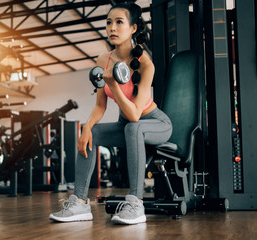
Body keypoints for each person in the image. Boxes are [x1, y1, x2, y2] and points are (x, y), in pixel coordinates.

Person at [49, 2, 172, 225]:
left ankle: (136, 204)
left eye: (119, 22)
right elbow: (100, 106)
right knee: (91, 133)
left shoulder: (146, 64)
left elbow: (135, 115)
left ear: (133, 28)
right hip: (128, 127)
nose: (112, 28)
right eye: (108, 22)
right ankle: (80, 203)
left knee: (134, 126)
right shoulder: (102, 60)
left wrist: (114, 85)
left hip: (155, 123)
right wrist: (86, 127)